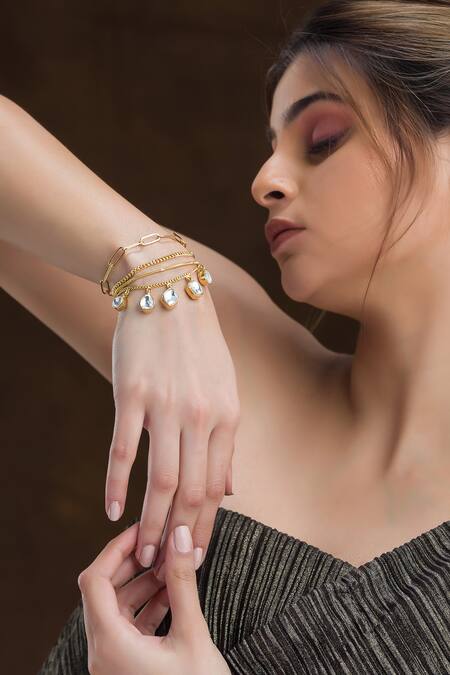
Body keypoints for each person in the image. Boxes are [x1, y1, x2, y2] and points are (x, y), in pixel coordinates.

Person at [1, 0, 448, 672]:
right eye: (272, 147)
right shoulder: (237, 352)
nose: (264, 181)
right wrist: (151, 265)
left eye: (323, 139)